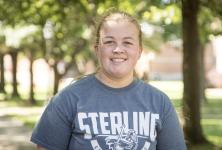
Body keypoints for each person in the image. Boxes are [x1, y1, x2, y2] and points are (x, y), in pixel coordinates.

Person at [31, 9, 187, 150]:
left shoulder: (160, 103)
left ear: (139, 51)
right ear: (97, 49)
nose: (118, 49)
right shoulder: (67, 100)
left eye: (127, 42)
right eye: (109, 42)